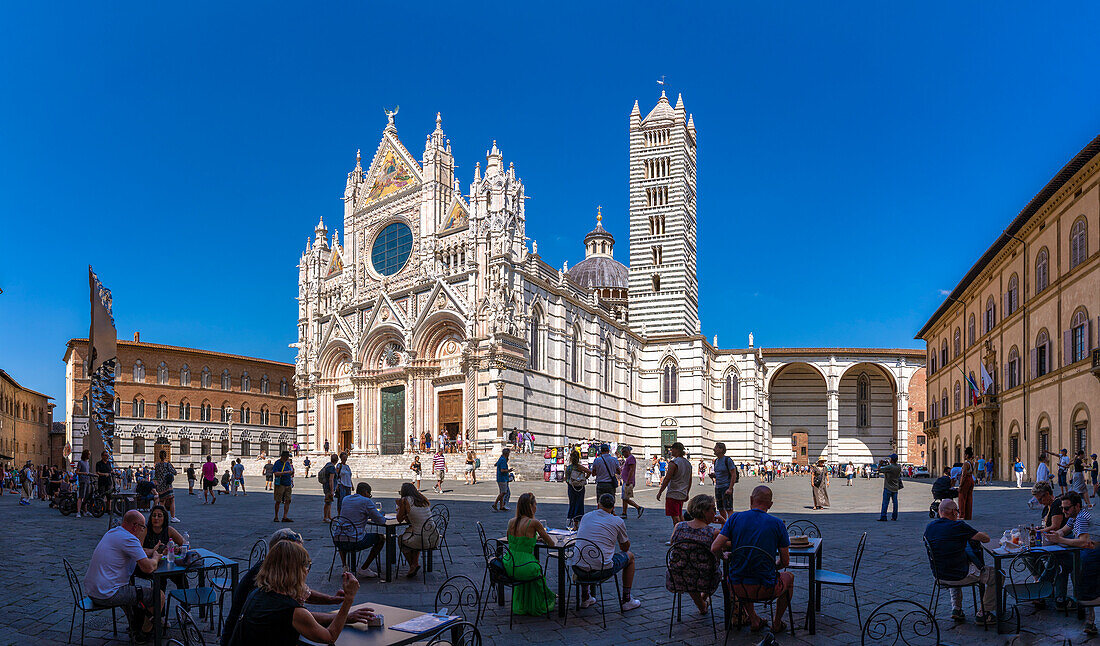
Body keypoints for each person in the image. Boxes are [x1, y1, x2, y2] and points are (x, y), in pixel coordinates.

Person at [221, 529, 369, 646]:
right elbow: (329, 637)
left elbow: (298, 618)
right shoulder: (288, 607)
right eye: (306, 565)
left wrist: (340, 613)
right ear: (294, 570)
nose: (307, 570)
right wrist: (348, 600)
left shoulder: (260, 592)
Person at [710, 486, 793, 633]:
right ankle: (777, 622)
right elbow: (785, 562)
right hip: (767, 587)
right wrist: (773, 567)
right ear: (770, 504)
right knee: (790, 577)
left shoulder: (735, 518)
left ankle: (754, 619)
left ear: (750, 500)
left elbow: (715, 547)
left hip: (737, 586)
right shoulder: (778, 524)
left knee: (744, 572)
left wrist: (723, 557)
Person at [84, 510, 164, 642]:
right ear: (135, 526)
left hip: (93, 590)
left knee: (131, 587)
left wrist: (153, 551)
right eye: (142, 527)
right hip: (108, 594)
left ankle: (135, 625)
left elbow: (139, 550)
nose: (143, 530)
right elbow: (148, 568)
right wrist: (155, 558)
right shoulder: (129, 538)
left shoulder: (114, 532)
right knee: (158, 595)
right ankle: (143, 633)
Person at [923, 499, 997, 624]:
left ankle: (956, 608)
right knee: (997, 575)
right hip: (959, 575)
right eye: (957, 511)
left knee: (952, 562)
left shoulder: (930, 527)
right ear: (953, 512)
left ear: (940, 512)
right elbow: (985, 539)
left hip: (939, 575)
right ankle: (984, 613)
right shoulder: (958, 526)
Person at [573, 493, 642, 611]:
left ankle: (585, 596)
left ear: (598, 505)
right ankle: (626, 599)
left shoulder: (586, 516)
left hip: (578, 568)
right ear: (613, 507)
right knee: (630, 557)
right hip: (601, 570)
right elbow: (625, 548)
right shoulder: (617, 521)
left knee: (586, 554)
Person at [502, 493, 556, 615]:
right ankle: (545, 598)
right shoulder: (534, 523)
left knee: (533, 569)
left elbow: (510, 539)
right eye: (535, 504)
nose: (536, 507)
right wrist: (536, 538)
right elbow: (551, 543)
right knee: (536, 569)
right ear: (531, 506)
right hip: (524, 565)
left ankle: (525, 602)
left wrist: (531, 539)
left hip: (509, 564)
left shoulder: (511, 522)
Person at [667, 494, 720, 615]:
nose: (715, 512)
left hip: (678, 577)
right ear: (705, 511)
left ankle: (702, 605)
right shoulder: (713, 532)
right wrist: (725, 523)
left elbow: (672, 543)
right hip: (706, 579)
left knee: (690, 569)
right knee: (711, 568)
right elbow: (722, 550)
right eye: (713, 509)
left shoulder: (679, 526)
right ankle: (703, 602)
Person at [334, 482, 388, 577]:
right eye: (369, 494)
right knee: (380, 538)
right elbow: (381, 521)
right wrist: (379, 515)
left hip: (337, 539)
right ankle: (364, 568)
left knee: (343, 535)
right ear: (365, 492)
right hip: (354, 540)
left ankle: (345, 566)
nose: (369, 496)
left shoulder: (346, 499)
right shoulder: (366, 501)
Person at [396, 483, 439, 578]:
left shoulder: (405, 500)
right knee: (412, 532)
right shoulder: (422, 498)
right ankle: (414, 564)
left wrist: (399, 506)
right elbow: (411, 518)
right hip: (434, 537)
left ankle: (412, 565)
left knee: (401, 539)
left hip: (422, 540)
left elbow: (399, 519)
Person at [657, 442, 692, 534]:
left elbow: (667, 478)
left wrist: (660, 491)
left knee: (675, 516)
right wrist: (687, 492)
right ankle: (684, 534)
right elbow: (690, 480)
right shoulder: (688, 463)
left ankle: (679, 536)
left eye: (672, 449)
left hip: (673, 493)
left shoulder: (674, 463)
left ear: (677, 450)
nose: (670, 451)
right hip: (682, 493)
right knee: (680, 515)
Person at [710, 442, 738, 521]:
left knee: (729, 508)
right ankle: (724, 525)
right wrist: (713, 476)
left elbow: (733, 474)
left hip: (726, 487)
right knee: (720, 508)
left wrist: (730, 488)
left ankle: (731, 526)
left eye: (716, 447)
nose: (714, 449)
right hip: (718, 487)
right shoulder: (716, 461)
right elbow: (719, 474)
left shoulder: (727, 460)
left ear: (721, 449)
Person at [564, 449, 591, 530]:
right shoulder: (580, 467)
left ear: (571, 459)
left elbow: (566, 479)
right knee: (579, 504)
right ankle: (576, 524)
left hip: (571, 487)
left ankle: (570, 522)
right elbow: (589, 472)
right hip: (580, 488)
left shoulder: (569, 468)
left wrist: (571, 483)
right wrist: (584, 478)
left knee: (572, 504)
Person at [153, 451, 179, 523]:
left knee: (162, 502)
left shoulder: (157, 465)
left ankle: (163, 517)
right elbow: (175, 472)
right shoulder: (167, 465)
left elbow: (156, 475)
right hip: (167, 486)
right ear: (165, 456)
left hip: (160, 486)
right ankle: (173, 517)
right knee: (172, 500)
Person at [620, 445, 643, 519]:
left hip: (628, 481)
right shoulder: (629, 458)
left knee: (625, 498)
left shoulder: (631, 458)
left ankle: (638, 507)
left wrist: (628, 480)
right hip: (626, 480)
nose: (623, 455)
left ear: (627, 452)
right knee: (624, 497)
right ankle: (624, 513)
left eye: (623, 453)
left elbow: (631, 470)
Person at [877, 453, 902, 522]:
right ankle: (894, 517)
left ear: (892, 460)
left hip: (888, 487)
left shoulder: (890, 467)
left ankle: (883, 516)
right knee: (895, 503)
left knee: (885, 502)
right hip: (895, 487)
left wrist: (880, 464)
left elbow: (879, 470)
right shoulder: (898, 467)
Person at [272, 450, 294, 523]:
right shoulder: (277, 463)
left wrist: (291, 472)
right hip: (280, 484)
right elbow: (275, 473)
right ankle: (276, 516)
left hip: (288, 483)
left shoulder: (287, 463)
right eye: (287, 457)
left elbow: (291, 471)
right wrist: (284, 473)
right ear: (283, 456)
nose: (288, 458)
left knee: (288, 500)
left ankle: (285, 516)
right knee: (278, 500)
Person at [75, 449, 94, 518]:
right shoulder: (80, 462)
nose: (89, 455)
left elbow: (87, 471)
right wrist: (83, 473)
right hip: (82, 481)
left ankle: (85, 511)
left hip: (87, 480)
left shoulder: (87, 463)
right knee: (81, 496)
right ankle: (78, 512)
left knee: (86, 497)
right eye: (89, 454)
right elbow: (77, 472)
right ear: (86, 455)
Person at [958, 447, 975, 520]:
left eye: (965, 454)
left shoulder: (966, 463)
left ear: (967, 455)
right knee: (969, 498)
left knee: (962, 498)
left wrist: (960, 485)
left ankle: (962, 515)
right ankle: (968, 516)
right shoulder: (973, 463)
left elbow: (963, 475)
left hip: (966, 480)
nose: (964, 456)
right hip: (971, 479)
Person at [320, 454, 338, 523]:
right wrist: (332, 490)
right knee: (327, 502)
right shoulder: (332, 468)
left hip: (326, 485)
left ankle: (329, 516)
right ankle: (325, 517)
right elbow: (331, 479)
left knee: (329, 502)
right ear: (337, 460)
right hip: (328, 487)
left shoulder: (328, 465)